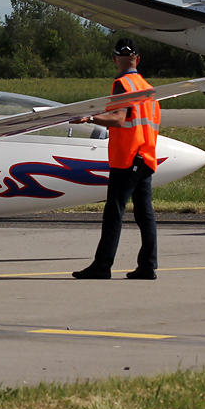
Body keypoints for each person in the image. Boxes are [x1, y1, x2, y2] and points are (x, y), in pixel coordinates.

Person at [72, 38, 160, 280]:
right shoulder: (148, 89)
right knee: (144, 214)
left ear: (115, 60)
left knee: (114, 211)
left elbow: (119, 119)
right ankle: (148, 265)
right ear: (138, 60)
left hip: (127, 157)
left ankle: (102, 265)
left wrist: (89, 118)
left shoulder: (122, 84)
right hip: (146, 156)